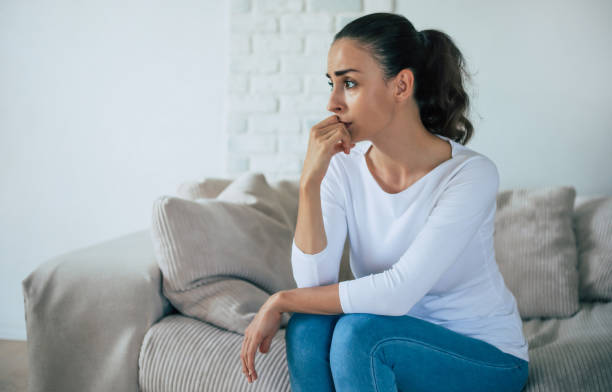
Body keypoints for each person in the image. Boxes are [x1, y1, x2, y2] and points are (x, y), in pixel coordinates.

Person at [240, 12, 529, 391]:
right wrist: (310, 182)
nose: (332, 103)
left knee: (361, 334)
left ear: (401, 85)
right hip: (385, 336)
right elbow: (314, 282)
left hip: (484, 355)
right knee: (308, 325)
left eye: (350, 83)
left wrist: (280, 299)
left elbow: (398, 292)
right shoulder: (342, 168)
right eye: (332, 84)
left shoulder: (470, 174)